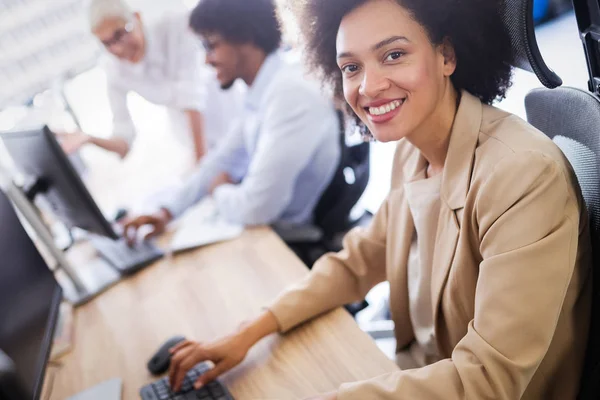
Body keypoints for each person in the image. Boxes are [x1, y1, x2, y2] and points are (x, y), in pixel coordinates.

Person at [166, 0, 593, 399]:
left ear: (446, 55)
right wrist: (250, 330)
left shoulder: (521, 175)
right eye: (351, 67)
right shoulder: (413, 150)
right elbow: (361, 258)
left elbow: (487, 379)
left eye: (393, 55)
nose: (368, 87)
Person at [121, 0, 341, 241]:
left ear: (245, 38)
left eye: (211, 46)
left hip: (285, 239)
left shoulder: (290, 96)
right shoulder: (263, 91)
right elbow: (221, 160)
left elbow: (257, 208)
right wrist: (167, 211)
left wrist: (218, 191)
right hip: (264, 232)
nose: (206, 60)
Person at [60, 0, 243, 163]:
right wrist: (88, 139)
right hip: (191, 139)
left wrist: (201, 166)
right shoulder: (114, 70)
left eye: (120, 34)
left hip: (229, 114)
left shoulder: (173, 26)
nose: (118, 48)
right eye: (107, 43)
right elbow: (124, 143)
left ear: (136, 18)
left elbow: (191, 96)